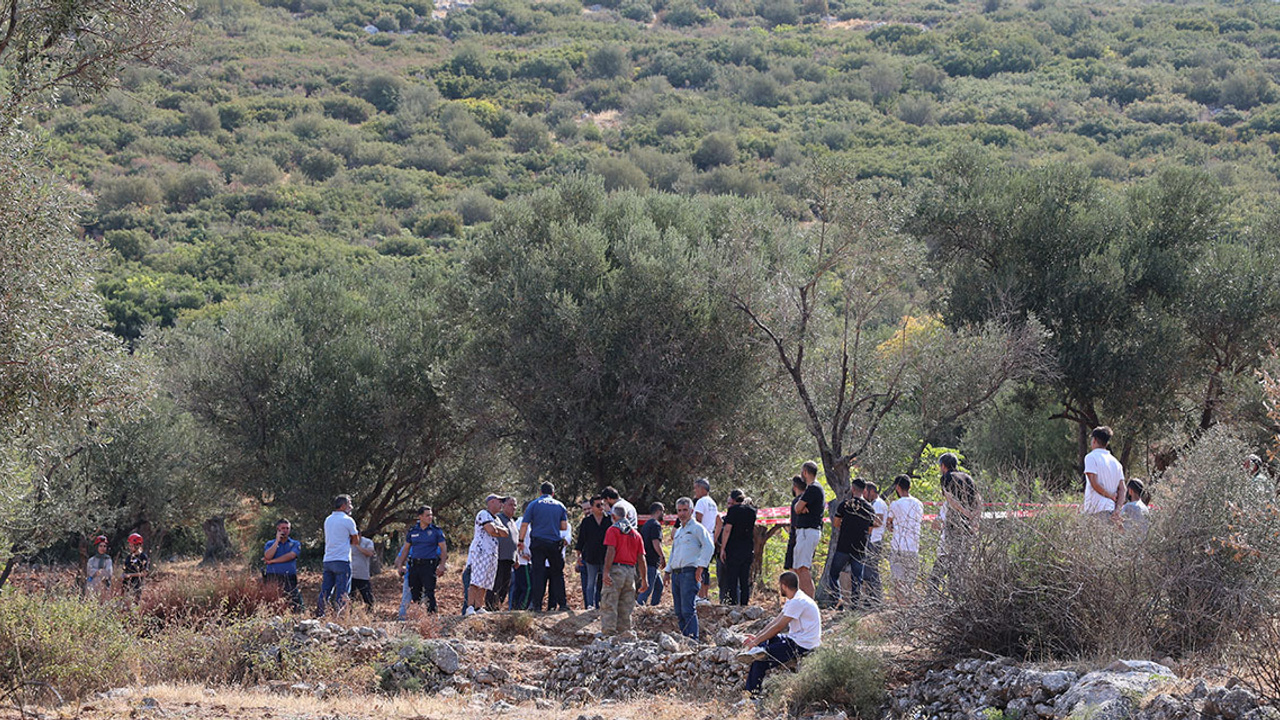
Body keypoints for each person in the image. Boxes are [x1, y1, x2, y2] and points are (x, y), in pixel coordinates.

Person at [737, 571, 821, 695]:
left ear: (783, 586)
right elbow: (775, 622)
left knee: (760, 660)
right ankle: (758, 649)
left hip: (802, 645)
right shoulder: (794, 598)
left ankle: (752, 696)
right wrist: (757, 638)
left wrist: (755, 642)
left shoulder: (798, 602)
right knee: (765, 642)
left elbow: (779, 627)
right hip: (795, 639)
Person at [665, 497, 714, 640]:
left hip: (689, 573)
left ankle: (693, 640)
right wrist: (667, 571)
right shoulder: (679, 531)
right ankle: (685, 639)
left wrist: (701, 567)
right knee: (679, 611)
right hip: (677, 574)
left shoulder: (697, 528)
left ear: (691, 511)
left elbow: (709, 546)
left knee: (688, 609)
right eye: (679, 510)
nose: (682, 513)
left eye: (685, 510)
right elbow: (674, 552)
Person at [930, 453, 979, 593]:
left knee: (945, 560)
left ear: (943, 466)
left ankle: (934, 595)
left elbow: (951, 499)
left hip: (954, 524)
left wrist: (964, 512)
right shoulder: (968, 478)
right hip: (967, 527)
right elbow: (978, 499)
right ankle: (959, 593)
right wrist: (974, 518)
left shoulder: (947, 477)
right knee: (961, 563)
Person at [520, 482, 571, 612]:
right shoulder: (560, 505)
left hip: (538, 542)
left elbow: (525, 524)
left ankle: (536, 605)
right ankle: (563, 604)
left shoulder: (534, 504)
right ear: (553, 493)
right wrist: (552, 525)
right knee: (557, 573)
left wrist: (520, 540)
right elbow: (564, 526)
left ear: (540, 493)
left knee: (538, 573)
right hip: (553, 543)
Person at [600, 504, 648, 636]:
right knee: (626, 607)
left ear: (614, 516)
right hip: (630, 573)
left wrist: (606, 572)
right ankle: (625, 635)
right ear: (626, 516)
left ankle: (608, 635)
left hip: (616, 570)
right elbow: (641, 558)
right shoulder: (636, 534)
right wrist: (644, 579)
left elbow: (611, 550)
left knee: (609, 603)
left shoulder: (613, 530)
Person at [829, 478, 876, 610]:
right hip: (860, 548)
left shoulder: (844, 504)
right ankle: (855, 607)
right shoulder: (869, 508)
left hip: (843, 546)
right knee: (857, 580)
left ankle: (838, 603)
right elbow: (870, 529)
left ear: (853, 489)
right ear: (864, 490)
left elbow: (836, 523)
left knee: (833, 574)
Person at [396, 506, 447, 614]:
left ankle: (432, 618)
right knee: (415, 594)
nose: (430, 517)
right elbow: (405, 549)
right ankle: (417, 618)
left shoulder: (436, 531)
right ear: (420, 517)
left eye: (431, 515)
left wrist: (442, 565)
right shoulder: (413, 531)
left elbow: (443, 549)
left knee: (429, 593)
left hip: (428, 566)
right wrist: (400, 565)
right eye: (427, 515)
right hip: (414, 566)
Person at [466, 494, 510, 616]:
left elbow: (506, 533)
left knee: (486, 582)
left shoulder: (496, 518)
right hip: (481, 551)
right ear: (491, 502)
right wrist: (496, 530)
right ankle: (470, 606)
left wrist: (496, 529)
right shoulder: (483, 514)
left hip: (492, 553)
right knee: (476, 580)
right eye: (499, 501)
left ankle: (479, 606)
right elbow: (491, 530)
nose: (501, 504)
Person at [319, 494, 360, 616]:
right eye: (349, 504)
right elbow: (356, 540)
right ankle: (341, 617)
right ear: (343, 506)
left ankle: (321, 614)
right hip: (342, 559)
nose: (351, 507)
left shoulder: (328, 519)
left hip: (328, 559)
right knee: (342, 591)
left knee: (326, 590)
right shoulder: (348, 520)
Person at [885, 475, 923, 603]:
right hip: (913, 547)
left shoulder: (895, 504)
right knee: (909, 583)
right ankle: (908, 610)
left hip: (898, 546)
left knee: (899, 581)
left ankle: (901, 608)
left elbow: (888, 523)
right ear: (910, 487)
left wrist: (891, 526)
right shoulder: (919, 504)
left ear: (897, 487)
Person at [790, 461, 825, 598]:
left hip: (809, 531)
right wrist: (800, 506)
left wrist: (801, 506)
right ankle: (801, 601)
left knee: (803, 569)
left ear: (805, 472)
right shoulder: (812, 489)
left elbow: (797, 507)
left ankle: (810, 603)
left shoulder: (813, 488)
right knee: (798, 569)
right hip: (804, 532)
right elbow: (798, 507)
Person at [719, 489, 757, 606]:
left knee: (732, 578)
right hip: (747, 548)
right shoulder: (752, 511)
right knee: (744, 579)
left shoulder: (733, 511)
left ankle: (733, 604)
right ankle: (744, 604)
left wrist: (722, 548)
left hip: (734, 548)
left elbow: (727, 530)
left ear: (733, 499)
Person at [575, 495, 612, 610]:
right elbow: (581, 540)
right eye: (598, 505)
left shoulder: (609, 520)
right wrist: (579, 556)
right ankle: (590, 605)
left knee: (606, 582)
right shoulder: (586, 522)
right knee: (591, 583)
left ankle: (605, 605)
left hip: (606, 556)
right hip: (591, 556)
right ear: (592, 507)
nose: (601, 507)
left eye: (602, 504)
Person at [1082, 426, 1124, 523]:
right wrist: (1117, 510)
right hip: (1110, 510)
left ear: (1094, 440)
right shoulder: (1116, 463)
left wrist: (1110, 496)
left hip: (1095, 509)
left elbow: (1094, 483)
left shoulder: (1090, 457)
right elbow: (1122, 489)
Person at [263, 518, 304, 611]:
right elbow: (268, 556)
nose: (285, 530)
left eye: (287, 528)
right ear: (278, 529)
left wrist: (273, 561)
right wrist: (277, 541)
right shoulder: (270, 544)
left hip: (289, 577)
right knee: (272, 601)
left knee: (295, 603)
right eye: (283, 528)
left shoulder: (295, 543)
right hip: (273, 576)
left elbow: (291, 556)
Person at [487, 496, 520, 611]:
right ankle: (490, 607)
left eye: (515, 505)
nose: (513, 507)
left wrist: (516, 557)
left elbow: (514, 541)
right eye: (510, 504)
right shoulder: (498, 519)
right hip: (498, 558)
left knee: (505, 585)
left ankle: (497, 606)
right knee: (496, 583)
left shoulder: (513, 522)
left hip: (509, 559)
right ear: (503, 506)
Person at [693, 478, 718, 602]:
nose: (694, 491)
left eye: (696, 488)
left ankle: (698, 596)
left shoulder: (701, 502)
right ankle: (705, 596)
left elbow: (698, 520)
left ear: (702, 488)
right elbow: (719, 522)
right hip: (709, 538)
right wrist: (714, 538)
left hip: (700, 539)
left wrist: (697, 537)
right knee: (705, 568)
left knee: (698, 567)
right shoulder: (713, 503)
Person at [863, 482, 887, 607]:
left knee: (872, 570)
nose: (864, 494)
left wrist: (864, 524)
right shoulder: (874, 503)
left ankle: (876, 598)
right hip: (872, 540)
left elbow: (877, 521)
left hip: (874, 540)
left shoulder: (878, 504)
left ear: (871, 491)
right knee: (869, 570)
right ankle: (871, 598)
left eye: (865, 491)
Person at [637, 502, 666, 606]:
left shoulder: (646, 524)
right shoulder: (655, 525)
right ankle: (639, 606)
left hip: (647, 560)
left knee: (659, 586)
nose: (663, 514)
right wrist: (662, 556)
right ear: (658, 511)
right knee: (647, 589)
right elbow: (656, 542)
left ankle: (654, 607)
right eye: (662, 511)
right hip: (651, 561)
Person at [510, 512, 533, 610]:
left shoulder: (531, 524)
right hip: (523, 561)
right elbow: (515, 538)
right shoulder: (521, 522)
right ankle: (521, 609)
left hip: (527, 561)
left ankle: (514, 609)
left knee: (519, 587)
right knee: (527, 587)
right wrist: (521, 553)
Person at [350, 534, 376, 610]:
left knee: (367, 597)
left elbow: (370, 553)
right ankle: (349, 615)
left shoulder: (367, 542)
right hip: (350, 575)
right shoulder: (346, 542)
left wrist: (357, 546)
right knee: (350, 597)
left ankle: (370, 614)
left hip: (362, 575)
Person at [121, 533, 149, 602]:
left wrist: (131, 575)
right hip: (127, 586)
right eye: (130, 545)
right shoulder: (129, 557)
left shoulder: (143, 557)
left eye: (132, 546)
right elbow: (125, 570)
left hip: (137, 586)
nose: (130, 547)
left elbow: (144, 573)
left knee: (135, 606)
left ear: (138, 545)